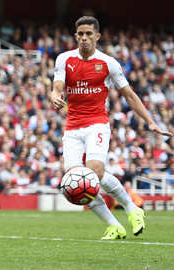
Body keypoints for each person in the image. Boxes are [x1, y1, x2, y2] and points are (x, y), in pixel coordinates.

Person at [50, 16, 172, 240]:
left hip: (97, 123)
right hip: (72, 128)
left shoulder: (108, 63)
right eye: (80, 34)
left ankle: (132, 209)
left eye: (89, 34)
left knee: (95, 171)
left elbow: (130, 96)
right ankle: (114, 225)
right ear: (75, 36)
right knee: (75, 185)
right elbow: (56, 87)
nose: (84, 38)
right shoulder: (64, 59)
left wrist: (151, 122)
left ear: (97, 36)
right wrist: (55, 97)